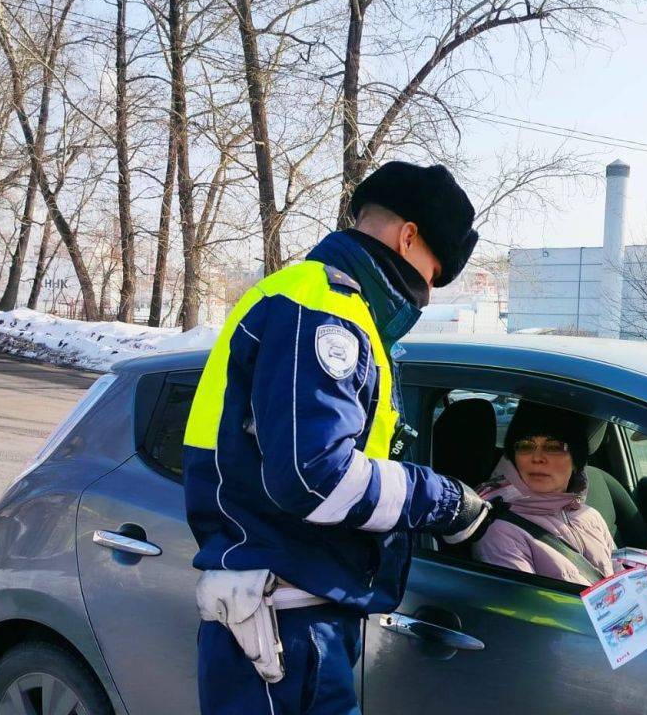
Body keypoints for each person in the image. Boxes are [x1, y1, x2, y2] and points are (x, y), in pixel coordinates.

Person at [183, 161, 492, 715]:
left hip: (291, 614)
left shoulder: (328, 304)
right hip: (285, 627)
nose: (428, 292)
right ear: (408, 235)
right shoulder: (323, 309)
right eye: (435, 270)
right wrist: (443, 502)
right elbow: (314, 477)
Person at [474, 401, 615, 585]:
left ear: (576, 461)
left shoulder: (591, 516)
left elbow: (621, 581)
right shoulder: (499, 531)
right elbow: (525, 610)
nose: (537, 457)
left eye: (554, 447)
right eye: (525, 446)